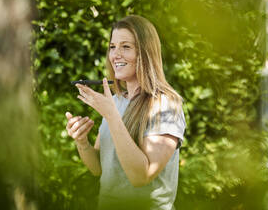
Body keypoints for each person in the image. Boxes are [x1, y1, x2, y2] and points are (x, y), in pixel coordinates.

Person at [65, 15, 186, 210]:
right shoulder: (115, 102)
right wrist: (82, 142)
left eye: (126, 47)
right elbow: (98, 168)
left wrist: (112, 116)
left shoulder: (165, 106)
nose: (115, 55)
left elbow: (141, 177)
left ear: (145, 53)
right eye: (112, 47)